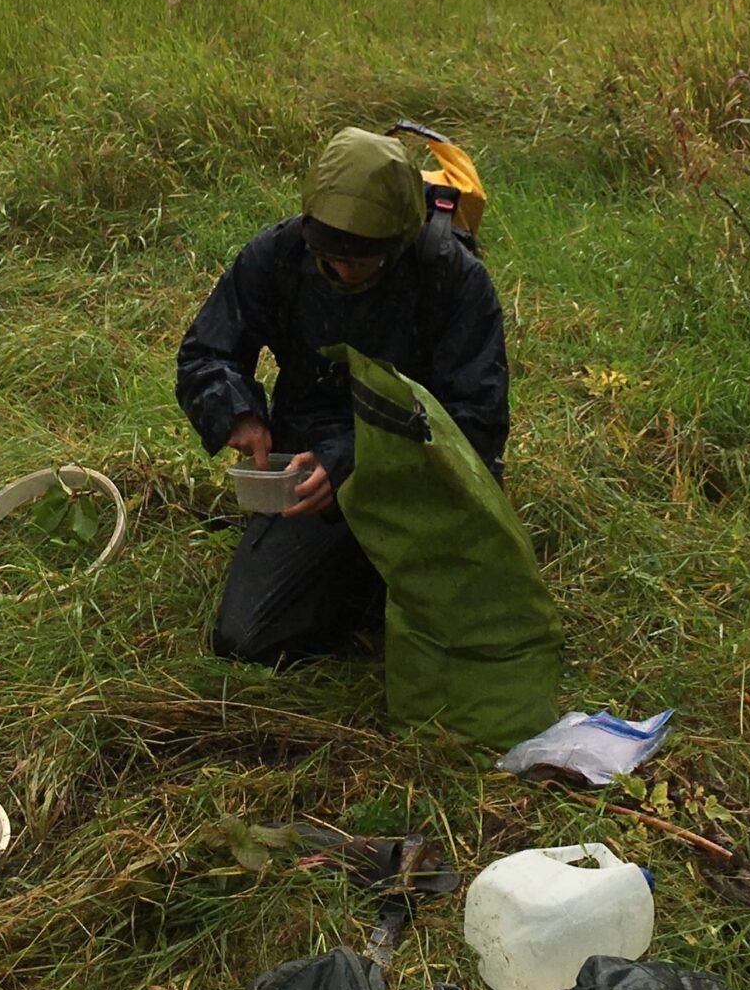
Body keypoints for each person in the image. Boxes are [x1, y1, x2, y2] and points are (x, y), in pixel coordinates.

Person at [175, 127, 509, 665]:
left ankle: (377, 580)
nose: (344, 271)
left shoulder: (452, 278)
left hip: (422, 480)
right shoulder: (280, 253)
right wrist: (237, 412)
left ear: (399, 240)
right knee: (247, 638)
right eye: (331, 258)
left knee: (476, 640)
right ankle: (356, 578)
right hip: (308, 481)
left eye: (362, 261)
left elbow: (475, 421)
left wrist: (355, 460)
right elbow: (205, 353)